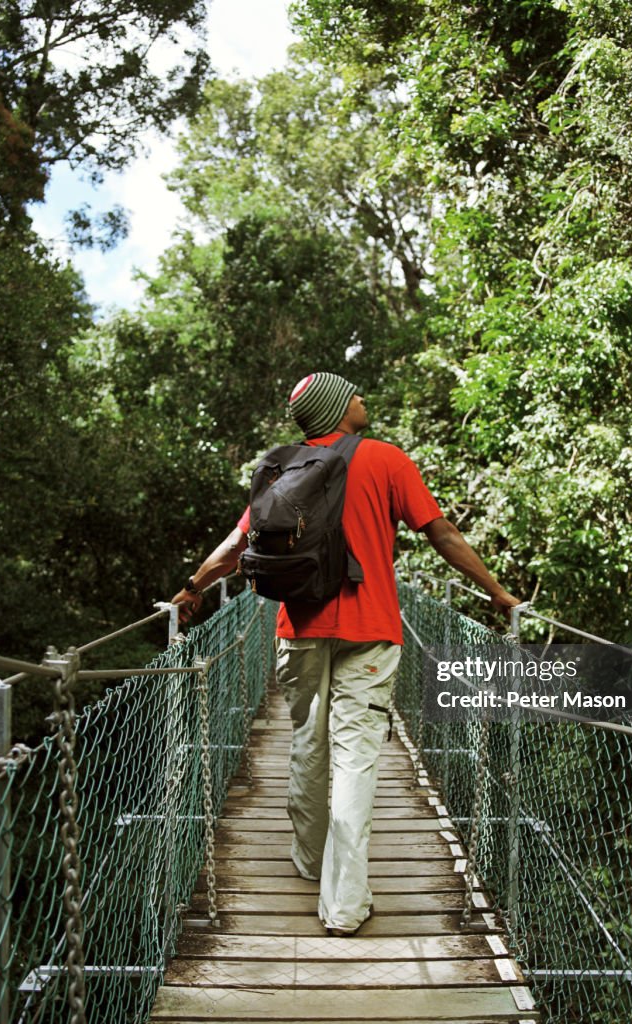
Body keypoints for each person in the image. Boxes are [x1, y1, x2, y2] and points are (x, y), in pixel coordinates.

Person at [171, 372, 520, 936]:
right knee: (355, 757)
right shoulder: (385, 459)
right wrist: (497, 592)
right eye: (354, 394)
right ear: (337, 408)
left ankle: (309, 859)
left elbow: (239, 545)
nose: (363, 400)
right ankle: (343, 905)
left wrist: (194, 585)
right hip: (371, 628)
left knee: (309, 739)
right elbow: (442, 534)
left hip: (299, 625)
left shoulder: (283, 467)